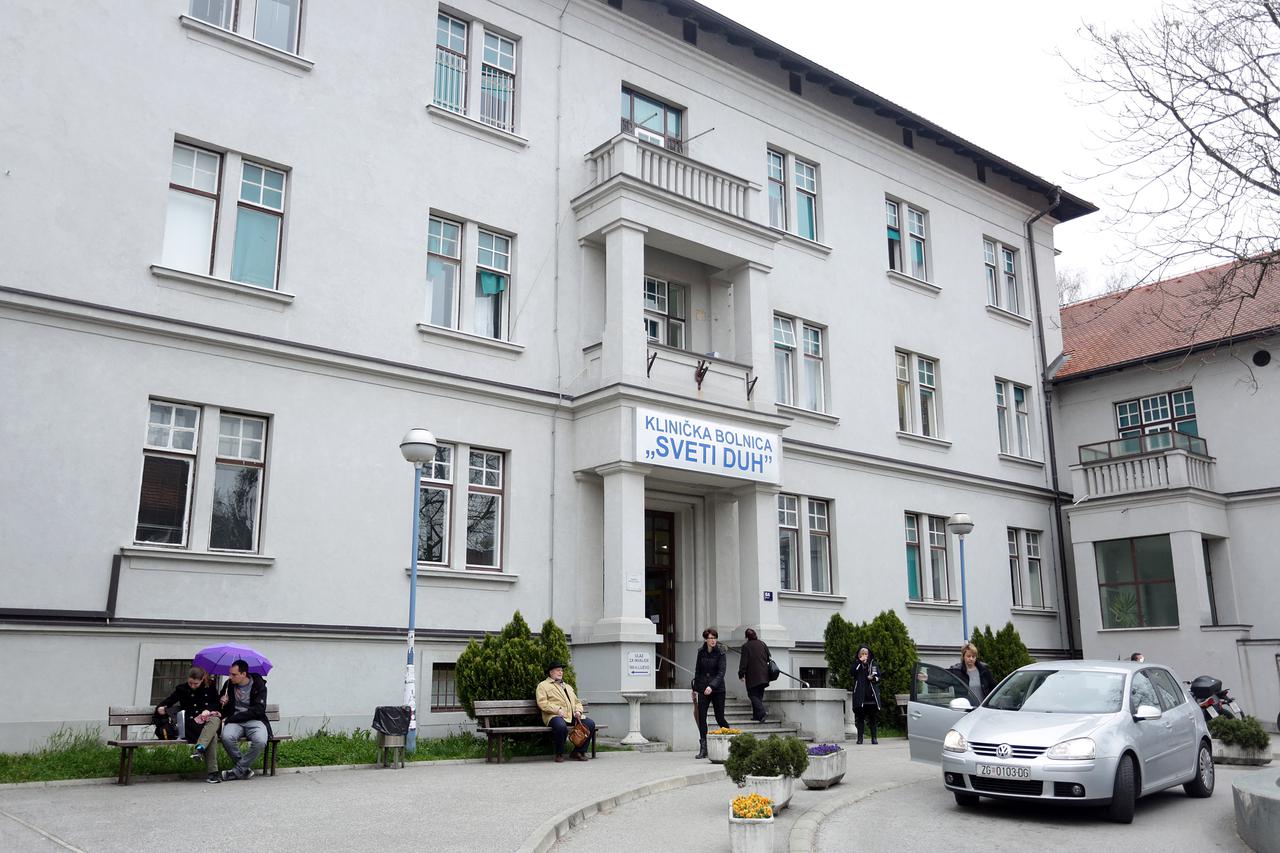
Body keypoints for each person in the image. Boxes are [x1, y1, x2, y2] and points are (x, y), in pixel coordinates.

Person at [156, 666, 223, 783]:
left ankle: (200, 750)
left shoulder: (210, 687)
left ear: (202, 679)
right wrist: (160, 709)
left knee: (215, 720)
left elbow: (216, 704)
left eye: (196, 683)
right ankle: (212, 772)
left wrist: (208, 710)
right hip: (191, 725)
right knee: (212, 735)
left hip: (207, 721)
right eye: (190, 683)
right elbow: (168, 701)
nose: (192, 686)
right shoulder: (182, 689)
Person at [218, 659, 271, 781]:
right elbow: (220, 707)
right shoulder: (228, 685)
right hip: (235, 722)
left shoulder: (259, 685)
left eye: (234, 674)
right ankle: (244, 769)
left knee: (260, 741)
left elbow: (259, 710)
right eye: (230, 674)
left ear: (243, 674)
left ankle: (238, 770)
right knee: (226, 737)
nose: (230, 677)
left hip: (254, 720)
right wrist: (222, 701)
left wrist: (231, 719)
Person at [535, 661, 596, 762]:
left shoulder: (567, 686)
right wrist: (557, 710)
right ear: (551, 672)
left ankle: (578, 751)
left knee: (590, 724)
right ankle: (559, 753)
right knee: (561, 726)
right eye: (558, 670)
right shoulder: (543, 685)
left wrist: (578, 711)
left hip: (571, 716)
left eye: (562, 670)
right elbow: (542, 703)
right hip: (554, 716)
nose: (561, 672)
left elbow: (577, 702)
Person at [692, 627, 730, 759]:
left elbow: (721, 673)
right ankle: (704, 748)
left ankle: (731, 740)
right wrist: (695, 689)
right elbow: (697, 671)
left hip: (718, 689)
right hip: (703, 689)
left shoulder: (721, 653)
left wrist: (712, 686)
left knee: (720, 717)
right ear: (705, 640)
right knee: (702, 717)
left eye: (715, 638)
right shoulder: (701, 652)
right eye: (710, 638)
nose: (713, 640)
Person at [738, 628, 771, 724]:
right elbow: (768, 657)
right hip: (764, 674)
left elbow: (744, 662)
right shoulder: (762, 644)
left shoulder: (746, 646)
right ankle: (757, 716)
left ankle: (762, 713)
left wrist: (741, 674)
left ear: (746, 637)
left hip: (753, 676)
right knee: (759, 695)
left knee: (752, 695)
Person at [850, 645, 881, 744]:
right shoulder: (856, 663)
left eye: (866, 654)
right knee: (860, 718)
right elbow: (853, 673)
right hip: (861, 696)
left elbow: (878, 677)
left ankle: (874, 738)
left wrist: (873, 678)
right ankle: (860, 739)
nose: (864, 655)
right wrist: (860, 662)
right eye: (862, 654)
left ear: (869, 655)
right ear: (859, 655)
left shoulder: (873, 664)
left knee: (873, 718)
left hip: (871, 696)